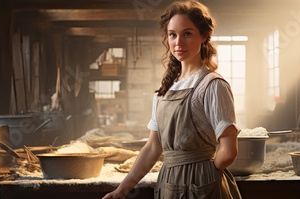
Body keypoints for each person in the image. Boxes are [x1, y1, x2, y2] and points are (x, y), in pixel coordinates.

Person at [103, 0, 241, 198]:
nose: (178, 42)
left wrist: (207, 173)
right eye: (172, 35)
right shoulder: (165, 89)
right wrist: (120, 191)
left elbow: (228, 152)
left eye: (187, 33)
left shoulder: (213, 85)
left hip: (202, 186)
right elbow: (152, 147)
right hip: (168, 184)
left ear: (203, 36)